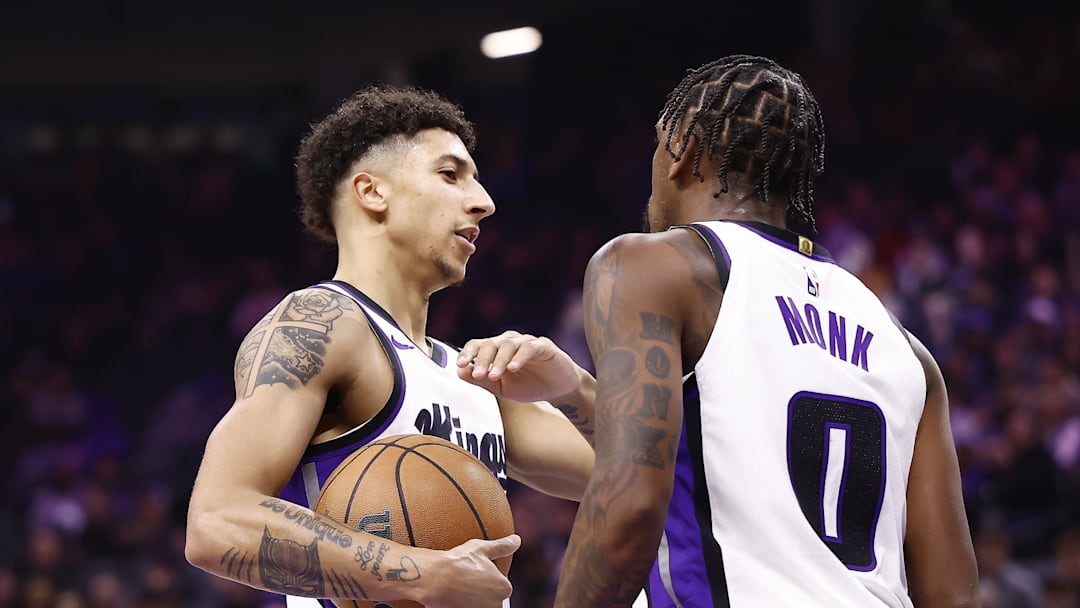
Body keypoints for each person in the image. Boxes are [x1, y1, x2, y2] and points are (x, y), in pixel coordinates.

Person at [553, 55, 980, 607]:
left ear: (682, 148)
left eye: (658, 145)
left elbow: (629, 503)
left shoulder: (653, 267)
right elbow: (954, 594)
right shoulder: (908, 350)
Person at [184, 85, 596, 608]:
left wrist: (575, 386)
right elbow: (216, 520)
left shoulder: (467, 376)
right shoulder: (320, 323)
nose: (484, 201)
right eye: (450, 175)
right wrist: (419, 574)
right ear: (372, 192)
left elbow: (644, 479)